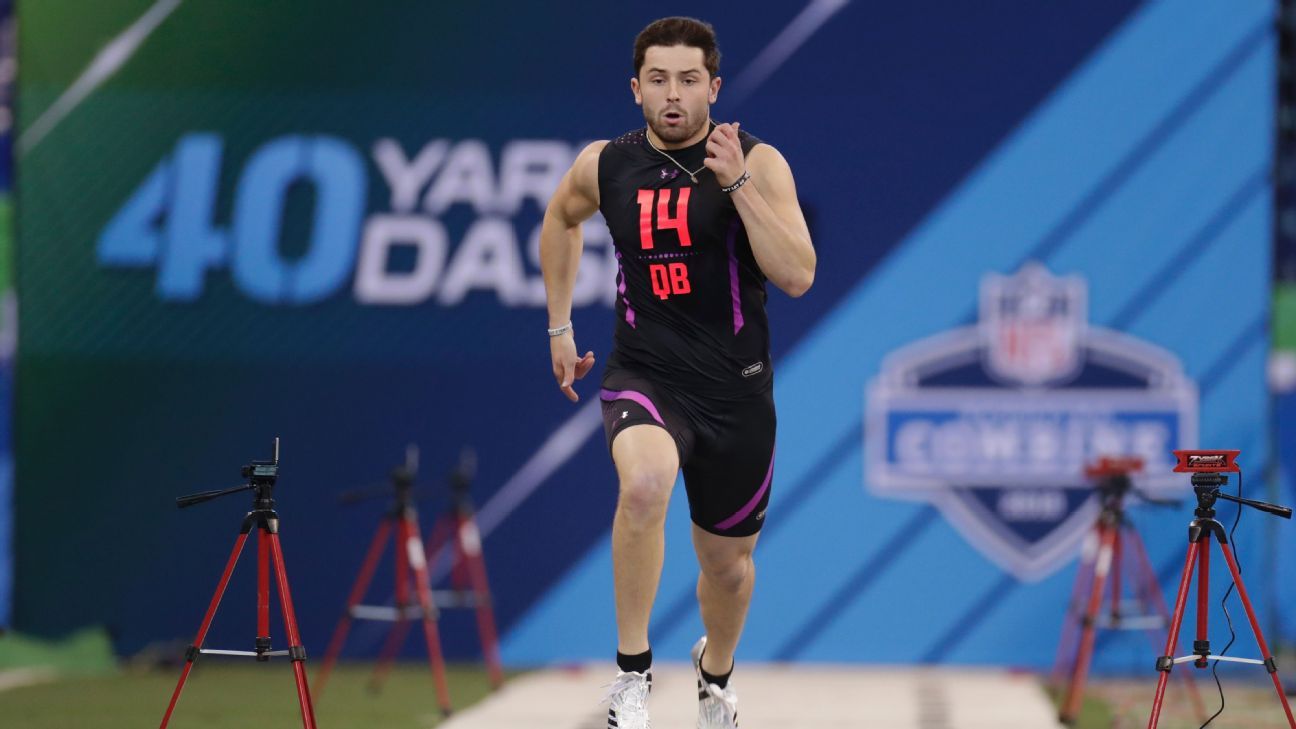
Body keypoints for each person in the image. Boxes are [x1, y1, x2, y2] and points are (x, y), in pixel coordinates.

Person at [540, 16, 815, 729]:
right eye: (658, 79)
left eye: (689, 80)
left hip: (736, 393)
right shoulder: (605, 164)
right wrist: (560, 325)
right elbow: (560, 218)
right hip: (646, 374)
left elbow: (798, 275)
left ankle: (715, 675)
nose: (673, 94)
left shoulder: (760, 162)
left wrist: (739, 183)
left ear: (714, 88)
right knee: (643, 485)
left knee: (727, 568)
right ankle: (632, 675)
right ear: (635, 89)